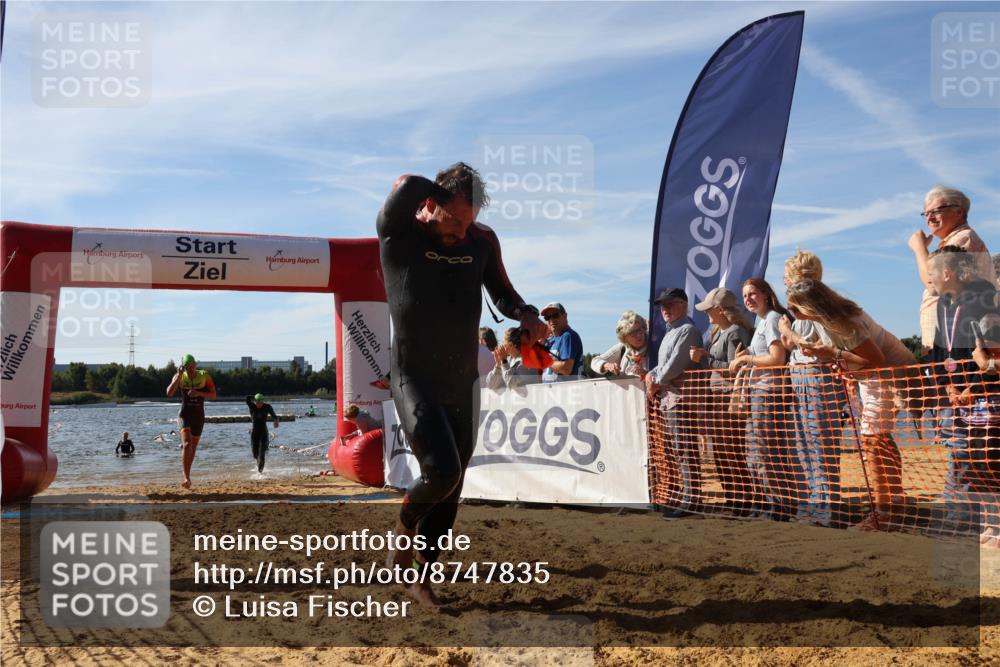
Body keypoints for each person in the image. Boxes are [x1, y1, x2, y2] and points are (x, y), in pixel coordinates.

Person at [376, 162, 546, 606]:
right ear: (430, 205)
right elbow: (405, 186)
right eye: (453, 219)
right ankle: (404, 529)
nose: (459, 232)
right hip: (414, 377)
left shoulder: (480, 240)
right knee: (442, 470)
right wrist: (445, 186)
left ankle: (421, 577)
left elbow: (504, 293)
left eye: (467, 222)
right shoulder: (401, 233)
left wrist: (526, 314)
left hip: (462, 382)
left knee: (454, 485)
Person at [785, 279, 916, 531]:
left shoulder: (843, 323)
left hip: (887, 373)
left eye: (794, 309)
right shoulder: (832, 320)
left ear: (810, 306)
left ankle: (884, 514)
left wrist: (831, 354)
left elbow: (874, 359)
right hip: (877, 375)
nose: (794, 315)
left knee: (873, 438)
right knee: (878, 437)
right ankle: (893, 502)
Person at [925, 247, 1000, 536]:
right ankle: (960, 519)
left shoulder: (981, 301)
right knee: (959, 455)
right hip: (958, 395)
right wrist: (948, 385)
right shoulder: (943, 304)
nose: (928, 277)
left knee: (982, 459)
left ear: (948, 273)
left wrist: (974, 386)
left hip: (984, 393)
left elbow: (989, 350)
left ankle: (976, 523)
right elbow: (938, 348)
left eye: (932, 271)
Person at [777, 250, 842, 525]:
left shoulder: (816, 307)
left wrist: (790, 334)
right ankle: (814, 506)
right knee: (804, 445)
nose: (784, 283)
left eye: (787, 277)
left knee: (820, 445)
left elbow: (827, 348)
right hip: (802, 378)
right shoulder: (802, 308)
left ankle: (826, 510)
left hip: (817, 380)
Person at [729, 278, 797, 521]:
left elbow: (776, 359)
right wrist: (748, 354)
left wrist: (745, 360)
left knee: (766, 452)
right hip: (759, 393)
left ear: (766, 294)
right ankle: (771, 504)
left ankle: (779, 506)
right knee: (756, 452)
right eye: (745, 295)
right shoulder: (762, 321)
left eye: (752, 294)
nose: (748, 299)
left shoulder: (772, 319)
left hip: (768, 394)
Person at [688, 287, 756, 515]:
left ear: (719, 310)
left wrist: (704, 359)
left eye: (709, 309)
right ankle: (733, 498)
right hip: (720, 398)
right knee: (722, 449)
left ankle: (742, 500)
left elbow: (733, 369)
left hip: (728, 397)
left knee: (730, 449)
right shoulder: (722, 332)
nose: (706, 313)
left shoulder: (734, 332)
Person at [909, 186, 996, 350]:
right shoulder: (954, 241)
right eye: (925, 214)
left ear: (959, 211)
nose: (930, 218)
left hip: (958, 343)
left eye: (936, 211)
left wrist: (919, 248)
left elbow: (934, 286)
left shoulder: (964, 238)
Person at [645, 288, 706, 518]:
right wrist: (652, 375)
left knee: (685, 448)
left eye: (670, 304)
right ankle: (689, 496)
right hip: (670, 400)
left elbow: (675, 366)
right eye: (662, 305)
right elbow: (665, 366)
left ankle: (692, 499)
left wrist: (655, 380)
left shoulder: (687, 330)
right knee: (678, 449)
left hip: (682, 400)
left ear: (683, 304)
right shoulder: (672, 332)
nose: (665, 309)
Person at [166, 354, 217, 489]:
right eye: (188, 367)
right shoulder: (180, 376)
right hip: (185, 415)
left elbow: (213, 395)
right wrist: (178, 376)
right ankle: (185, 477)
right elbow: (169, 393)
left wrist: (199, 393)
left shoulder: (204, 376)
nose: (191, 369)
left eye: (193, 366)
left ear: (196, 364)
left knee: (192, 448)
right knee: (187, 445)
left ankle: (188, 477)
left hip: (199, 417)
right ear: (184, 367)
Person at [592, 310, 648, 379]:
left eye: (640, 329)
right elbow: (595, 361)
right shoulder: (622, 348)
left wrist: (647, 374)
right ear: (624, 337)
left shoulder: (657, 346)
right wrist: (607, 365)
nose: (638, 335)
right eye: (633, 332)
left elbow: (664, 377)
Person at [541, 302, 583, 382]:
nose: (551, 320)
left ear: (565, 316)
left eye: (555, 315)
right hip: (551, 392)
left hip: (565, 392)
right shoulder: (549, 341)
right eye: (547, 317)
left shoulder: (568, 336)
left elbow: (566, 369)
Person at [246, 393, 279, 473]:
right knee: (255, 454)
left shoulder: (267, 407)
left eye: (260, 402)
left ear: (263, 401)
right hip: (254, 433)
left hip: (264, 432)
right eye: (257, 402)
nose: (259, 404)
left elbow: (274, 415)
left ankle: (260, 473)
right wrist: (253, 396)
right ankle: (258, 464)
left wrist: (276, 421)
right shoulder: (252, 406)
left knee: (262, 454)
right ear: (255, 401)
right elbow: (247, 398)